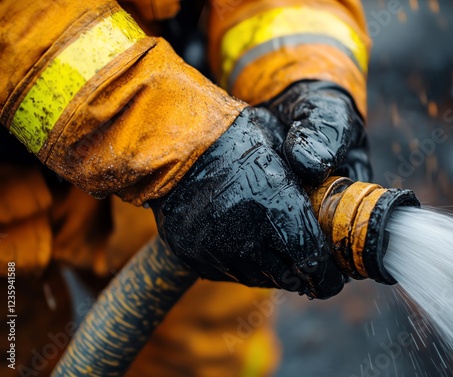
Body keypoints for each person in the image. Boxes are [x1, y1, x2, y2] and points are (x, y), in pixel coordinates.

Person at [0, 0, 371, 376]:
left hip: (171, 133)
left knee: (207, 344)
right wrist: (178, 146)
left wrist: (306, 75)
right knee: (18, 354)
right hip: (146, 145)